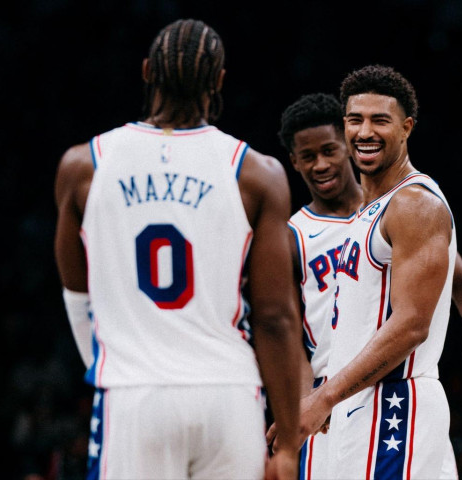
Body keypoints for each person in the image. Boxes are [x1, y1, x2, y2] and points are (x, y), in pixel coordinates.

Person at [53, 18, 301, 480]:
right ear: (219, 81)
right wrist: (287, 442)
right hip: (228, 394)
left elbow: (76, 294)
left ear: (147, 72)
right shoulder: (257, 173)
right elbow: (275, 317)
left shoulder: (83, 166)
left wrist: (111, 367)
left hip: (134, 394)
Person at [275, 93, 462, 479]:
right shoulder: (295, 235)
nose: (322, 164)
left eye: (328, 150)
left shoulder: (404, 208)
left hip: (389, 395)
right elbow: (286, 333)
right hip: (328, 399)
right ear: (294, 161)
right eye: (308, 156)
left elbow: (458, 282)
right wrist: (307, 401)